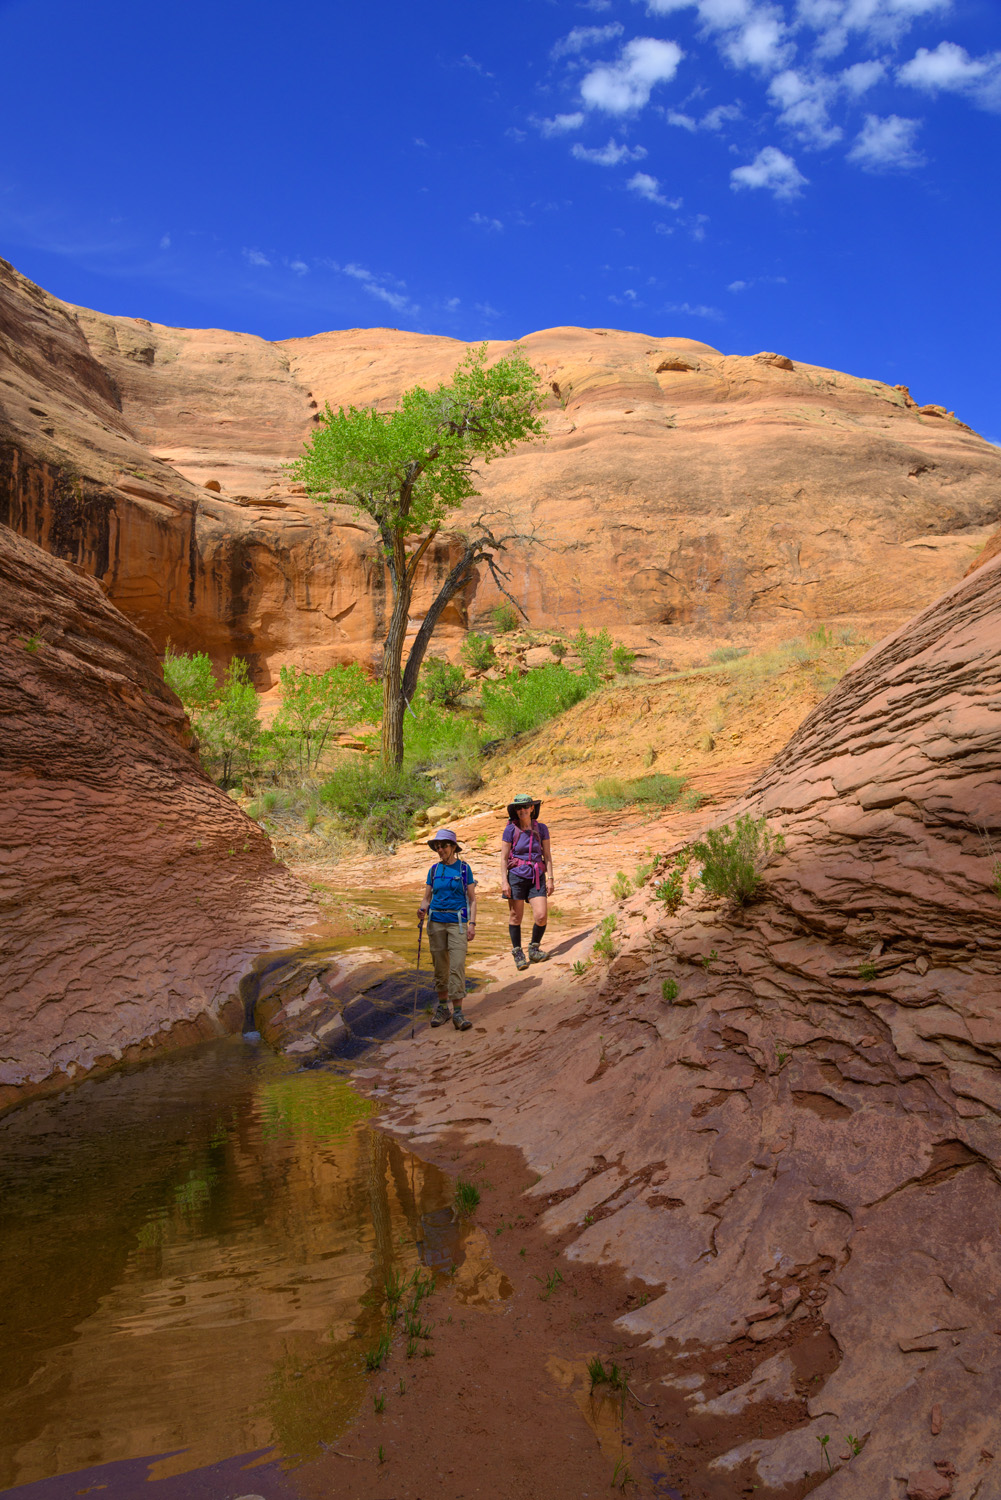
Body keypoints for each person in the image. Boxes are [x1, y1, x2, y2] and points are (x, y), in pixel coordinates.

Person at [418, 828, 477, 1031]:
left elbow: (472, 900)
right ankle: (443, 1009)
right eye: (437, 846)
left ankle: (458, 1013)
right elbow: (427, 898)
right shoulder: (434, 870)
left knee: (457, 966)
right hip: (435, 922)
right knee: (440, 968)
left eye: (443, 846)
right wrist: (421, 909)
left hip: (457, 923)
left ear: (453, 847)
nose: (440, 850)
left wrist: (472, 924)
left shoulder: (464, 869)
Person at [500, 794, 554, 971]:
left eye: (525, 807)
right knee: (516, 917)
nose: (522, 810)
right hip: (516, 876)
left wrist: (551, 878)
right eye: (518, 808)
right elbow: (504, 858)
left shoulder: (542, 828)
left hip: (536, 876)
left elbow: (547, 856)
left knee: (541, 916)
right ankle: (518, 953)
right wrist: (504, 882)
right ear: (515, 811)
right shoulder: (510, 830)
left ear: (532, 808)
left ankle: (534, 948)